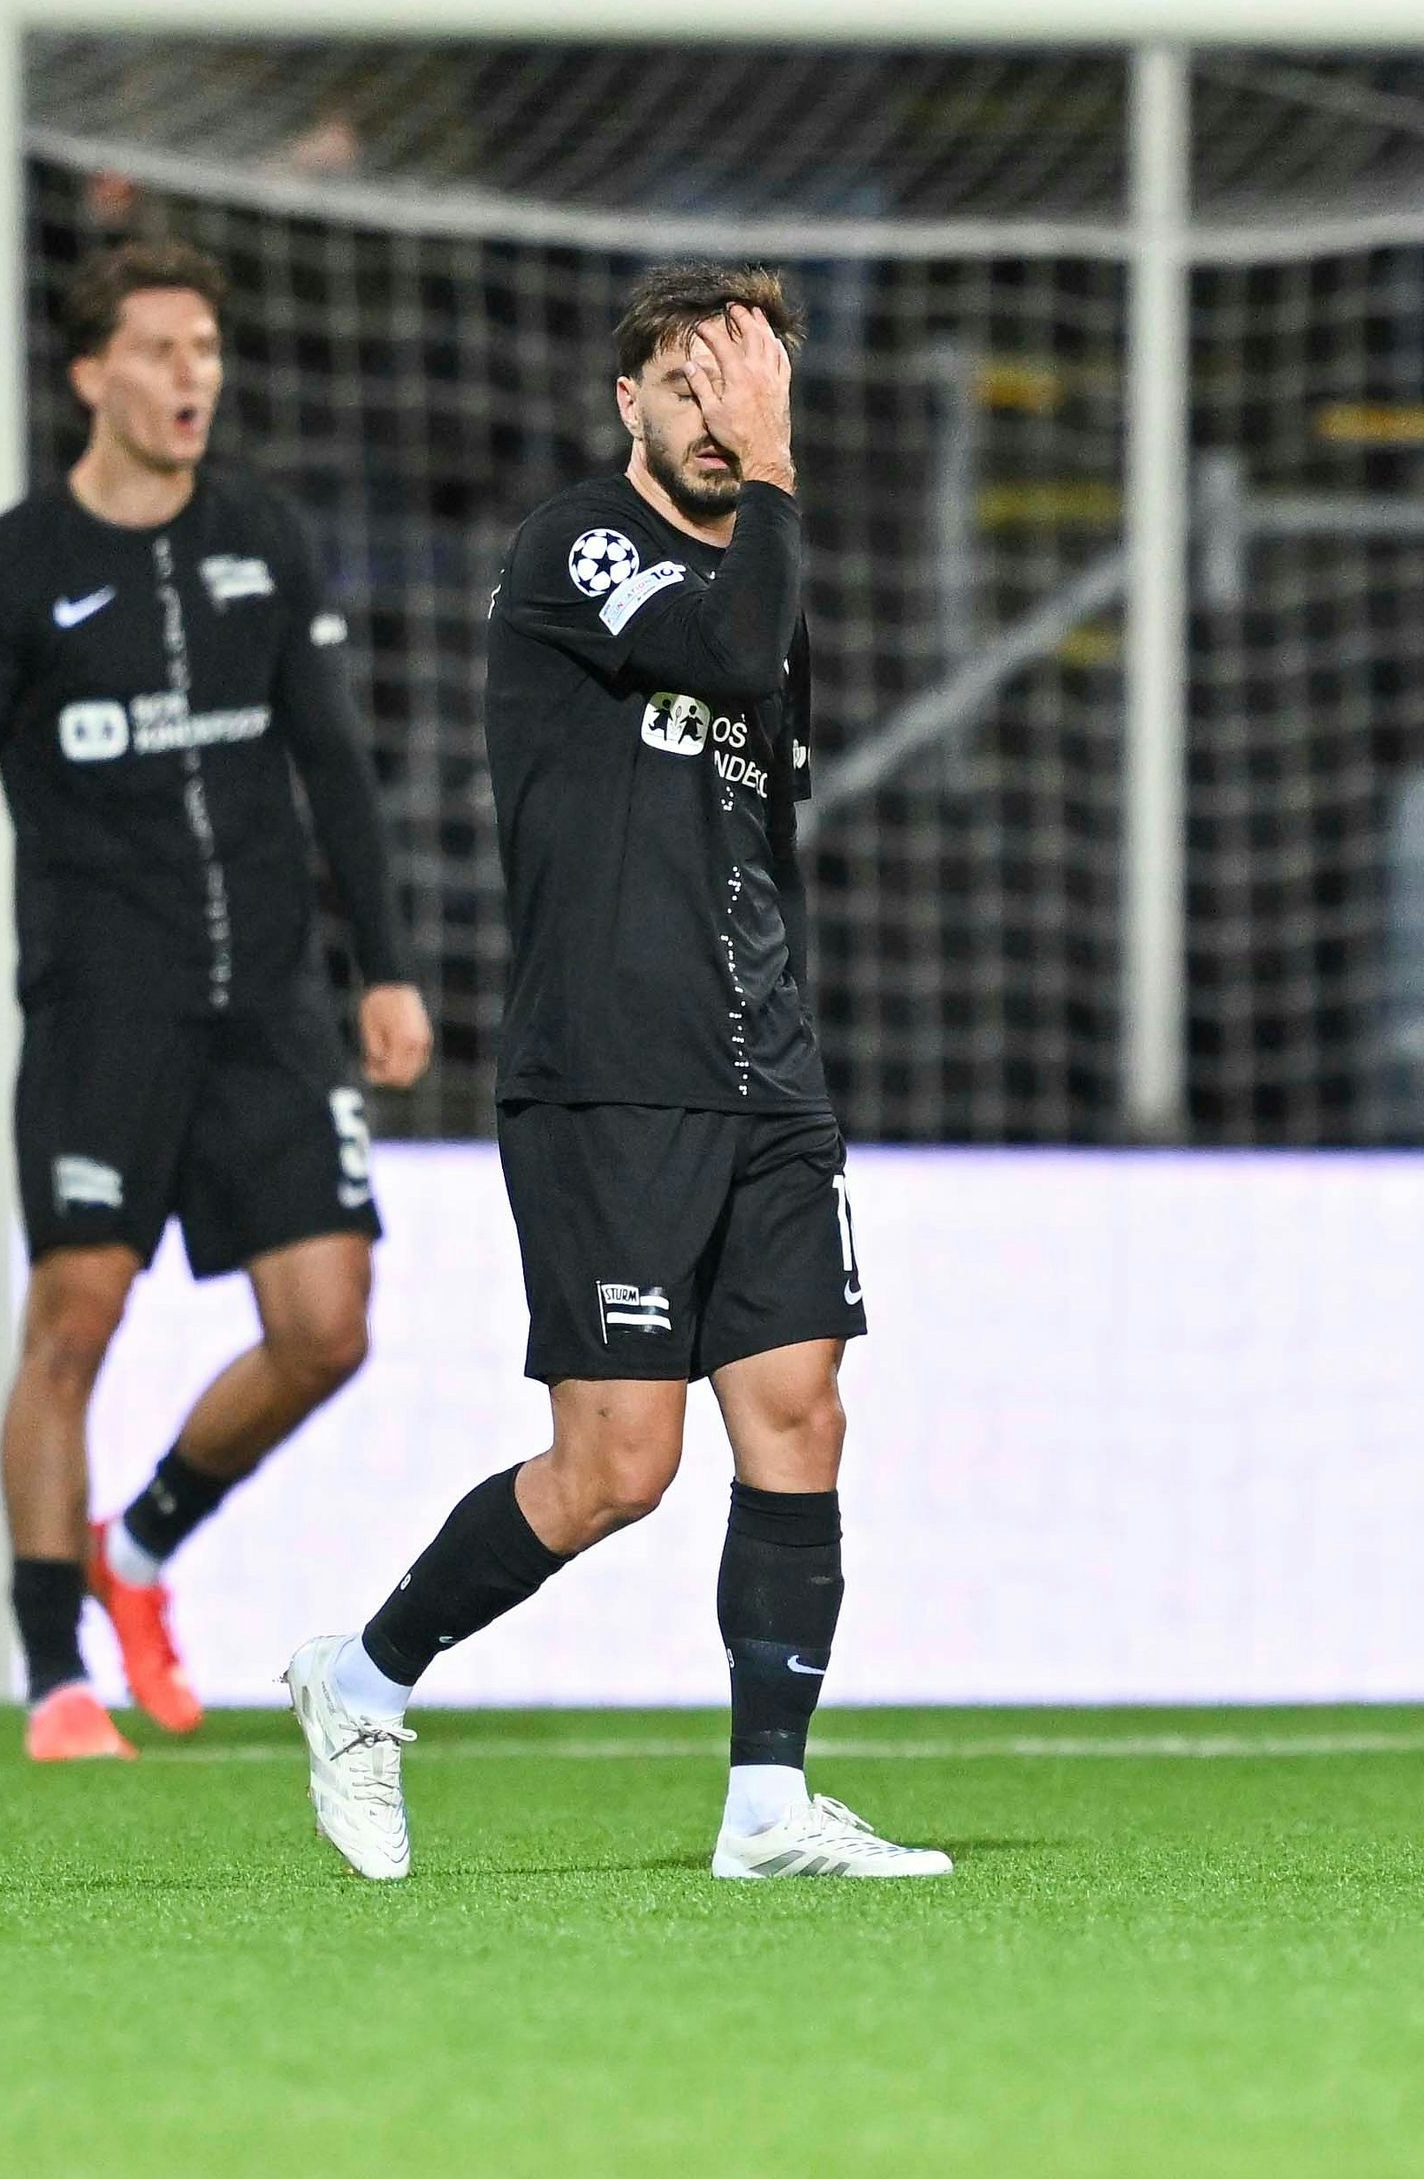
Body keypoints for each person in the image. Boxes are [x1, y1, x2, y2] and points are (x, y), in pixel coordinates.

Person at [284, 265, 941, 1885]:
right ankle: (361, 1681)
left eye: (753, 385)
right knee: (617, 1471)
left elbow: (763, 820)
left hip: (766, 1077)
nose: (723, 417)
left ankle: (768, 1810)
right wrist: (778, 476)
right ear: (629, 403)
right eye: (694, 384)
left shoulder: (773, 595)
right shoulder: (581, 545)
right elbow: (717, 658)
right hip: (610, 1076)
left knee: (802, 1414)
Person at [0, 239, 428, 1763]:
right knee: (73, 1318)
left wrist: (382, 964)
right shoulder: (13, 569)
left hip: (267, 997)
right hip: (100, 1002)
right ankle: (58, 1671)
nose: (192, 374)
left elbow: (331, 762)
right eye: (159, 349)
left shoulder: (261, 533)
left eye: (206, 346)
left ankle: (139, 1548)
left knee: (328, 1329)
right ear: (91, 376)